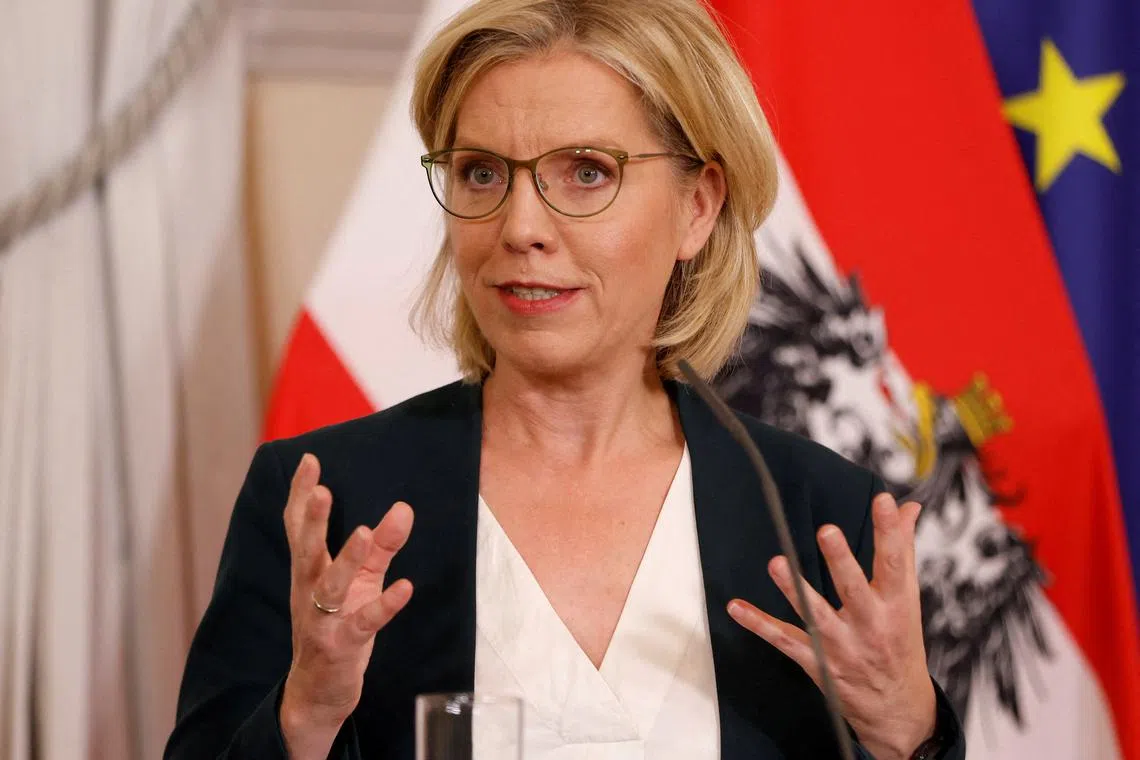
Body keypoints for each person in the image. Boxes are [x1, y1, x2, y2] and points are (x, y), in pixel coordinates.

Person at [165, 0, 965, 758]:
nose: (519, 228)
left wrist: (910, 737)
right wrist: (304, 716)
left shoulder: (818, 517)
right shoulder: (325, 500)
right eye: (482, 173)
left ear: (698, 206)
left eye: (586, 171)